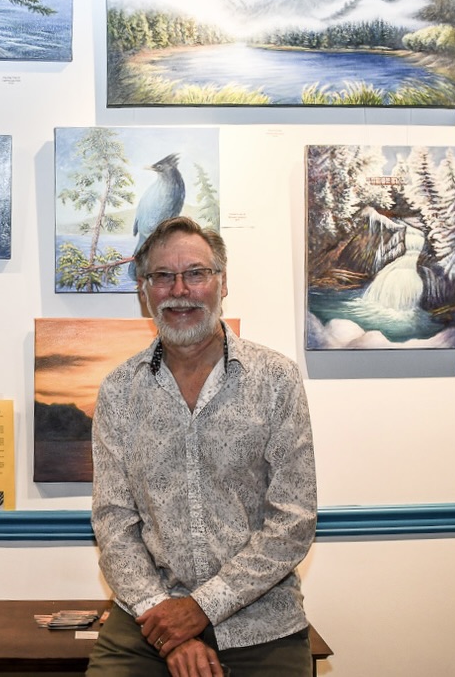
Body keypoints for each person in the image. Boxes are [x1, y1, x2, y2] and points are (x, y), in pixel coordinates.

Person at [87, 216, 317, 677]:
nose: (180, 290)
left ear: (222, 283)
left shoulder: (276, 380)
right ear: (144, 291)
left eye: (196, 273)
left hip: (260, 622)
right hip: (147, 619)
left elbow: (293, 519)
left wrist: (199, 608)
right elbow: (113, 522)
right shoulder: (118, 391)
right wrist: (168, 627)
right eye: (162, 276)